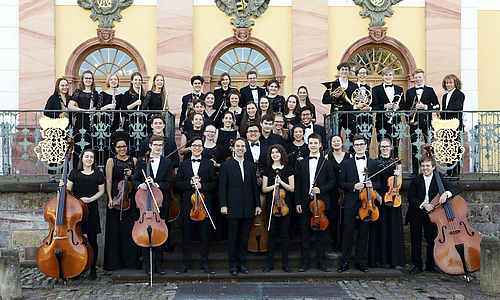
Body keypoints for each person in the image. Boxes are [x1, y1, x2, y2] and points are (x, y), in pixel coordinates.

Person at [407, 155, 458, 275]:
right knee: (416, 239)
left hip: (433, 214)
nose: (425, 168)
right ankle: (417, 265)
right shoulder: (416, 179)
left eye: (427, 166)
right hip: (417, 212)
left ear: (433, 167)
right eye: (423, 166)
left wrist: (446, 194)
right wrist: (423, 205)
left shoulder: (439, 178)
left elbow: (455, 188)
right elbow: (411, 197)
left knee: (432, 240)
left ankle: (431, 264)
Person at [174, 136, 218, 275]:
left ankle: (205, 263)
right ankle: (185, 263)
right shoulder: (183, 165)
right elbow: (177, 185)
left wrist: (202, 186)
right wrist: (190, 184)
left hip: (204, 206)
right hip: (188, 205)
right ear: (190, 148)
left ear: (203, 148)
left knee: (204, 237)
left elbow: (214, 184)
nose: (197, 148)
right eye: (194, 145)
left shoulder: (209, 164)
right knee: (186, 237)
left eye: (199, 146)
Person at [338, 135, 380, 273]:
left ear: (366, 146)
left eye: (361, 144)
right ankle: (345, 262)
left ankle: (360, 262)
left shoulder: (373, 164)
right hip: (351, 202)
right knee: (348, 233)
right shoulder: (347, 163)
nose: (359, 147)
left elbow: (379, 182)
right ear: (353, 147)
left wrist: (372, 184)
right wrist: (352, 186)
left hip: (367, 203)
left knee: (363, 233)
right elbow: (340, 182)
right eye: (357, 145)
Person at [219, 137, 262, 275]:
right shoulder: (226, 166)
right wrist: (223, 205)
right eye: (237, 146)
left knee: (244, 237)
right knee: (233, 237)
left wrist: (257, 204)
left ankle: (242, 264)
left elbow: (254, 187)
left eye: (242, 146)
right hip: (232, 207)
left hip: (248, 206)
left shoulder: (250, 166)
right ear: (233, 148)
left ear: (245, 148)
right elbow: (222, 188)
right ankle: (233, 265)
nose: (240, 148)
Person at [132, 134, 173, 275]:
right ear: (150, 146)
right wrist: (140, 186)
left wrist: (156, 184)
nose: (158, 147)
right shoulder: (142, 161)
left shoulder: (167, 163)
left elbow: (168, 183)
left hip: (161, 203)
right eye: (155, 145)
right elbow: (134, 181)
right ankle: (148, 266)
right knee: (145, 233)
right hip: (145, 203)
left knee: (161, 233)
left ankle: (159, 265)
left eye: (160, 145)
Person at [61, 149, 105, 280]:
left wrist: (90, 199)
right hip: (76, 211)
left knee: (92, 240)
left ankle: (93, 270)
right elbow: (67, 190)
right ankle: (77, 269)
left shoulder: (98, 174)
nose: (89, 159)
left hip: (91, 209)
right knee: (76, 240)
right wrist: (61, 186)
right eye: (87, 156)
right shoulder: (74, 173)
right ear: (82, 158)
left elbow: (101, 191)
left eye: (91, 157)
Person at [295, 133, 336, 272]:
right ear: (308, 145)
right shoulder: (302, 163)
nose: (313, 145)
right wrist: (298, 203)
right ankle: (305, 262)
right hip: (306, 202)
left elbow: (332, 181)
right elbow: (299, 184)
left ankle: (321, 261)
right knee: (305, 234)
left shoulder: (327, 163)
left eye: (315, 143)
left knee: (321, 234)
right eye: (310, 143)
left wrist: (321, 189)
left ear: (320, 145)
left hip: (321, 203)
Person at [103, 131, 140, 271]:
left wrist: (131, 176)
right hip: (116, 199)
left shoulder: (134, 161)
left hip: (130, 200)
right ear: (115, 148)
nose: (122, 149)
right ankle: (114, 263)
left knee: (129, 230)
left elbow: (137, 181)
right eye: (119, 147)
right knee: (115, 231)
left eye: (124, 146)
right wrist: (110, 198)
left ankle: (131, 262)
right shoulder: (111, 161)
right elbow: (109, 180)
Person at [367, 138, 405, 268]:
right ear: (379, 148)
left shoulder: (397, 162)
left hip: (393, 197)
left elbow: (400, 182)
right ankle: (379, 260)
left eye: (386, 146)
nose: (384, 148)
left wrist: (398, 174)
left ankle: (393, 261)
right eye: (382, 146)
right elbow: (372, 183)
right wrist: (378, 197)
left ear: (391, 147)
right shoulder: (374, 163)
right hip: (379, 198)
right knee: (379, 228)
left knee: (392, 228)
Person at [261, 144, 294, 273]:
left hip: (285, 205)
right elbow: (264, 189)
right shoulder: (267, 170)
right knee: (271, 235)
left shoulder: (288, 169)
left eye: (277, 152)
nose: (275, 154)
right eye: (272, 152)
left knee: (285, 235)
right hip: (271, 205)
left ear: (282, 154)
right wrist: (274, 185)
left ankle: (285, 263)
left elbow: (291, 188)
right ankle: (269, 263)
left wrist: (281, 183)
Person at [405, 68, 439, 176]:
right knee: (415, 147)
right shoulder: (409, 92)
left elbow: (436, 105)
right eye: (416, 77)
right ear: (413, 78)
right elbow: (407, 109)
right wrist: (409, 121)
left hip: (427, 123)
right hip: (414, 123)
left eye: (420, 77)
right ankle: (415, 172)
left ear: (423, 77)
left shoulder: (430, 90)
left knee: (430, 147)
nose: (418, 79)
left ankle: (432, 170)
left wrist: (424, 107)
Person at [68, 70, 99, 169]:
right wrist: (84, 111)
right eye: (86, 78)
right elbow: (70, 106)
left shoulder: (95, 93)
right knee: (79, 145)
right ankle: (77, 169)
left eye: (90, 78)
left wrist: (93, 110)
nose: (88, 80)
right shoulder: (78, 92)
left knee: (91, 145)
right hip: (81, 121)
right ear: (82, 80)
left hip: (92, 122)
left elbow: (98, 108)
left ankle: (90, 169)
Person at [371, 67, 406, 156]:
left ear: (393, 77)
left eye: (390, 75)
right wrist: (384, 106)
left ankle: (394, 167)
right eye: (386, 75)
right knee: (382, 145)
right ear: (382, 77)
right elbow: (373, 106)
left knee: (395, 146)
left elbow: (404, 105)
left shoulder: (399, 89)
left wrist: (398, 106)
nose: (388, 77)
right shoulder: (376, 89)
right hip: (381, 121)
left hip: (396, 121)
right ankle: (382, 166)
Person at [44, 77, 71, 183]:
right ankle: (52, 175)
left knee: (66, 152)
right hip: (56, 128)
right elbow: (46, 111)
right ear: (58, 87)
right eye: (62, 85)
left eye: (66, 85)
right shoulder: (53, 98)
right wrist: (59, 114)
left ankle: (64, 174)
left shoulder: (70, 98)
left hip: (67, 128)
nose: (64, 87)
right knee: (55, 151)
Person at [321, 63, 358, 140]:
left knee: (352, 136)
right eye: (342, 69)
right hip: (337, 114)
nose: (344, 71)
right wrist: (337, 100)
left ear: (349, 71)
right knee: (335, 135)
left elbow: (356, 99)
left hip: (350, 115)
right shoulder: (333, 84)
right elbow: (324, 100)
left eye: (346, 70)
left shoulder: (354, 85)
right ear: (339, 71)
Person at [327, 135, 350, 253]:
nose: (336, 143)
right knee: (333, 218)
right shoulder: (327, 157)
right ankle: (335, 242)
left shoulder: (348, 156)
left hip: (346, 190)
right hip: (332, 190)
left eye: (338, 141)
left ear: (342, 143)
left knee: (345, 218)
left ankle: (343, 242)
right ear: (331, 144)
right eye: (334, 141)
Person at [441, 74, 465, 180]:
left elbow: (457, 107)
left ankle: (455, 173)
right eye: (447, 83)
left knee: (455, 149)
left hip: (455, 125)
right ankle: (449, 171)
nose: (448, 85)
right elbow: (445, 110)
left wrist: (443, 112)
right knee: (447, 148)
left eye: (450, 82)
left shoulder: (460, 94)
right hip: (446, 125)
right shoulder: (445, 96)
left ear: (455, 83)